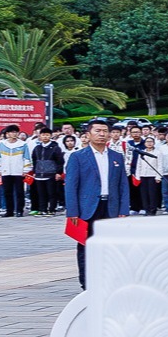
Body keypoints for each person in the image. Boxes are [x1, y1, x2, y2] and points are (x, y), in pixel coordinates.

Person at [63, 119, 131, 289]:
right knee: (86, 246)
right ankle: (86, 284)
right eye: (98, 131)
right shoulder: (78, 157)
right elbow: (71, 186)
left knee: (111, 247)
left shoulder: (116, 157)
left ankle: (109, 281)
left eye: (105, 131)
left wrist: (123, 209)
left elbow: (123, 185)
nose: (102, 134)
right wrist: (72, 212)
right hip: (87, 209)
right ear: (88, 134)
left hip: (111, 207)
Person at [0, 125, 31, 217]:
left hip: (18, 171)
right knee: (7, 192)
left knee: (19, 192)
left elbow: (27, 158)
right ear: (7, 134)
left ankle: (19, 210)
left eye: (16, 132)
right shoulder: (2, 144)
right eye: (12, 132)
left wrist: (25, 170)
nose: (14, 134)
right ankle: (9, 210)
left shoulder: (23, 144)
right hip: (6, 171)